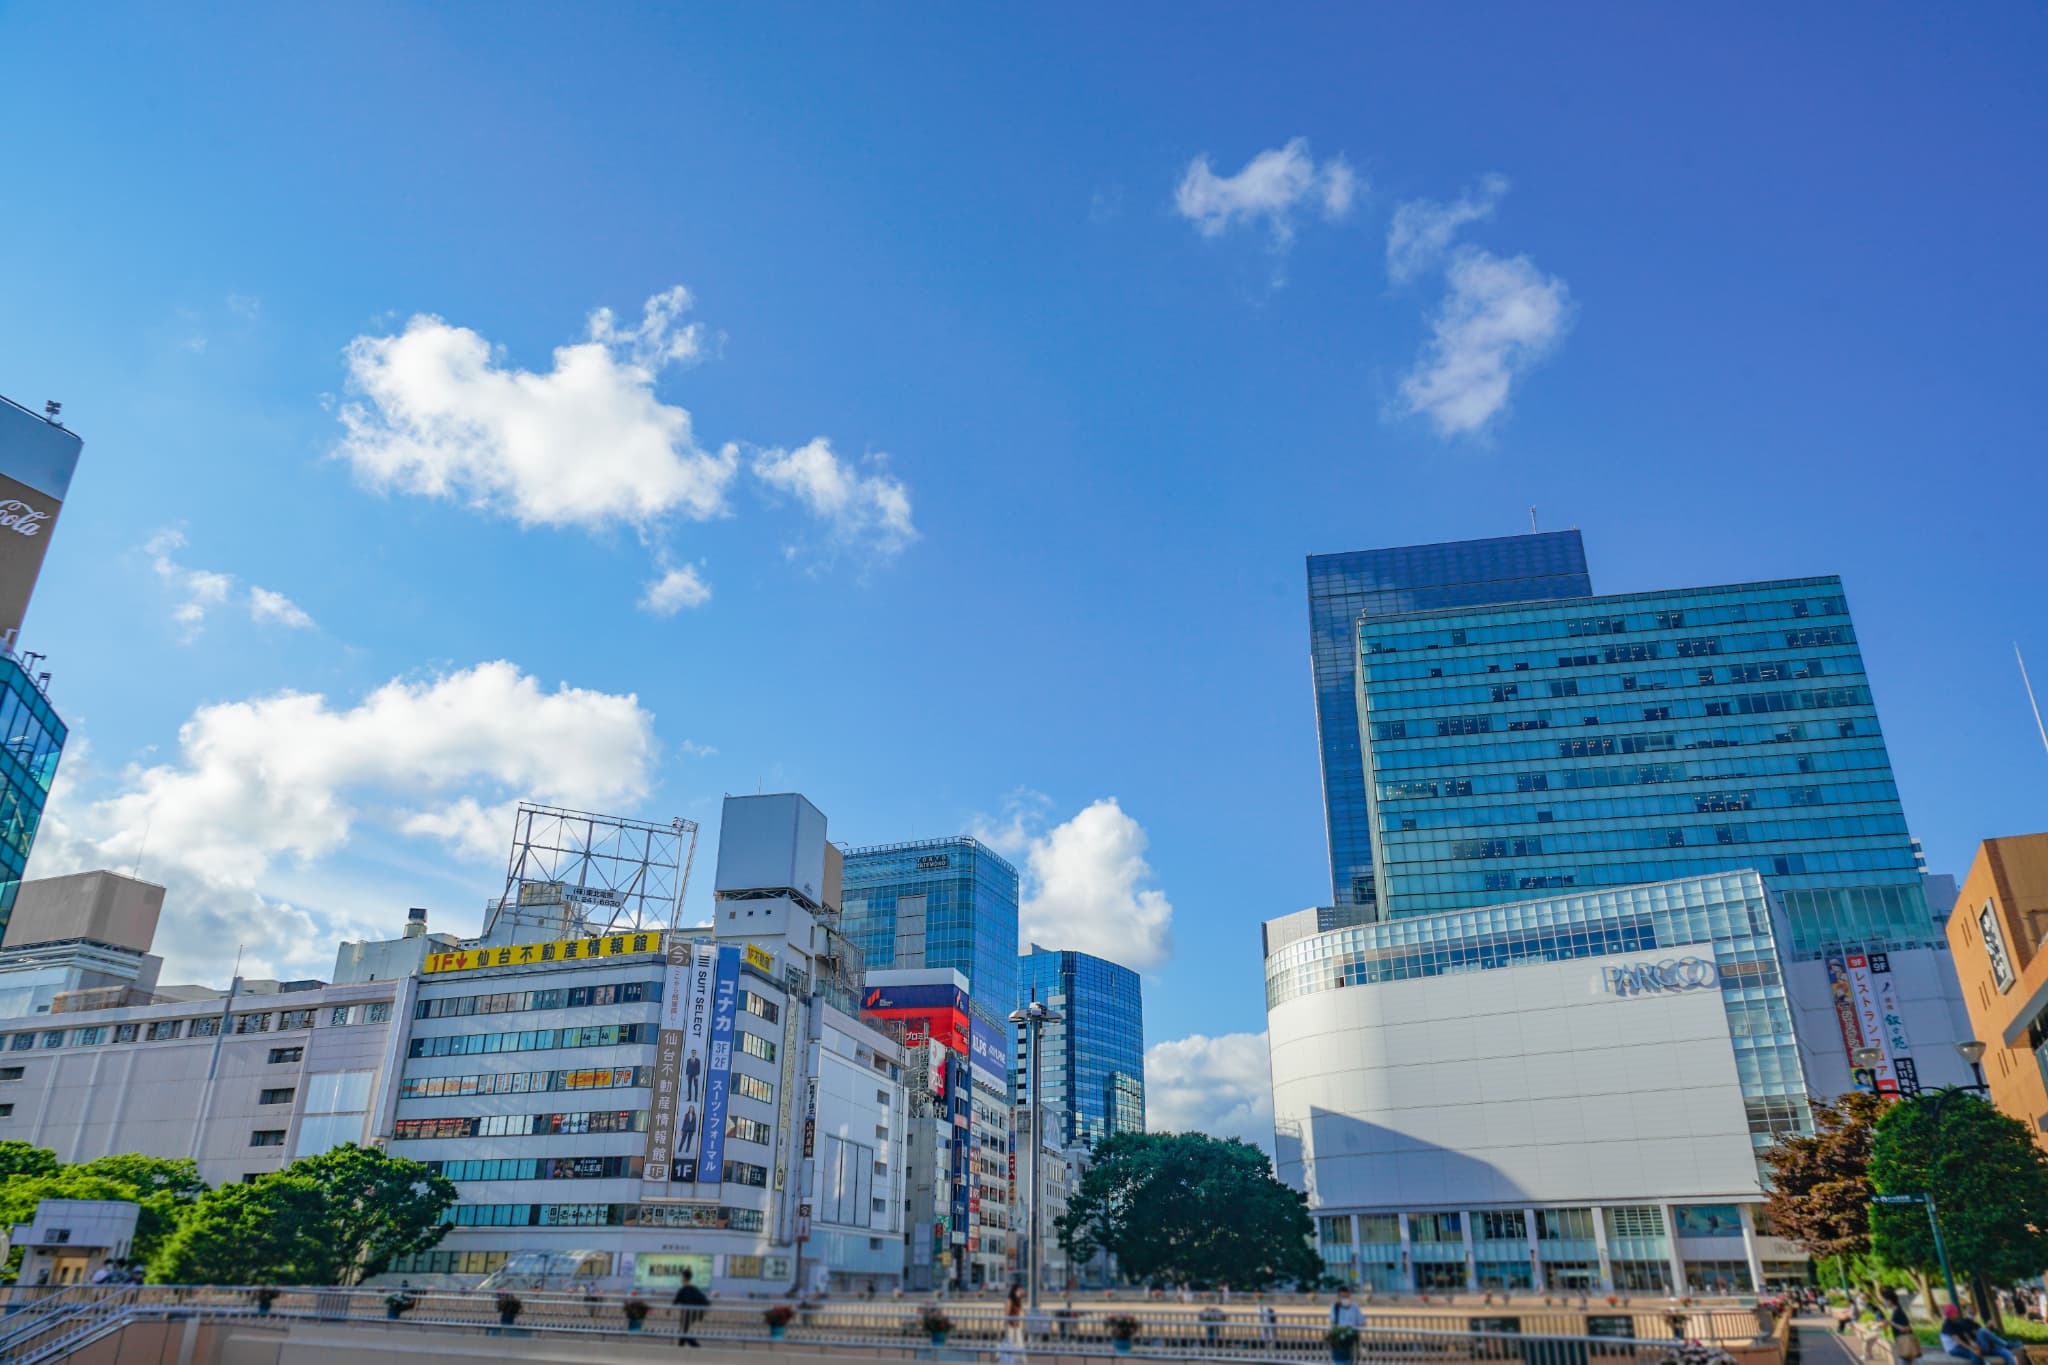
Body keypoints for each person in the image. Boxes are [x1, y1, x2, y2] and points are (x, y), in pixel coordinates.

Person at [1941, 1304, 2018, 1365]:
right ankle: (2006, 1344)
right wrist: (1971, 1348)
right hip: (1955, 1348)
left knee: (2007, 1353)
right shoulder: (1952, 1324)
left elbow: (1965, 1334)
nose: (1957, 1314)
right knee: (1974, 1351)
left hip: (1985, 1346)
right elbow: (1958, 1341)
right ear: (1950, 1315)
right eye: (1955, 1313)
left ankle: (2005, 1346)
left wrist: (1971, 1342)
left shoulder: (1958, 1322)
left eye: (1974, 1309)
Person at [1882, 1289, 1922, 1364]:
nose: (1884, 1302)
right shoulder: (1896, 1311)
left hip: (1905, 1343)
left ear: (1890, 1301)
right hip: (1902, 1343)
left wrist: (1891, 1322)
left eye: (1884, 1300)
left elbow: (1906, 1329)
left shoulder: (1898, 1312)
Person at [673, 1268, 710, 1348]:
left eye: (681, 1278)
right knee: (683, 1331)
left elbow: (675, 1302)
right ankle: (680, 1347)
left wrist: (668, 1310)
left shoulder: (682, 1290)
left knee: (683, 1332)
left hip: (686, 1314)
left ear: (683, 1279)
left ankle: (696, 1346)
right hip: (694, 1314)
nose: (680, 1279)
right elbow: (705, 1301)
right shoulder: (695, 1289)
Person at [998, 1283, 1026, 1365]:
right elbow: (1006, 1314)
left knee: (1019, 1345)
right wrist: (1004, 1326)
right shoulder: (1010, 1301)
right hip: (1010, 1327)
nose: (1021, 1291)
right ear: (1015, 1291)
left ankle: (1020, 1361)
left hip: (1016, 1326)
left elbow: (1024, 1294)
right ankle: (1014, 1361)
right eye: (1019, 1290)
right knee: (1012, 1344)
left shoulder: (1017, 1300)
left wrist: (1022, 1292)